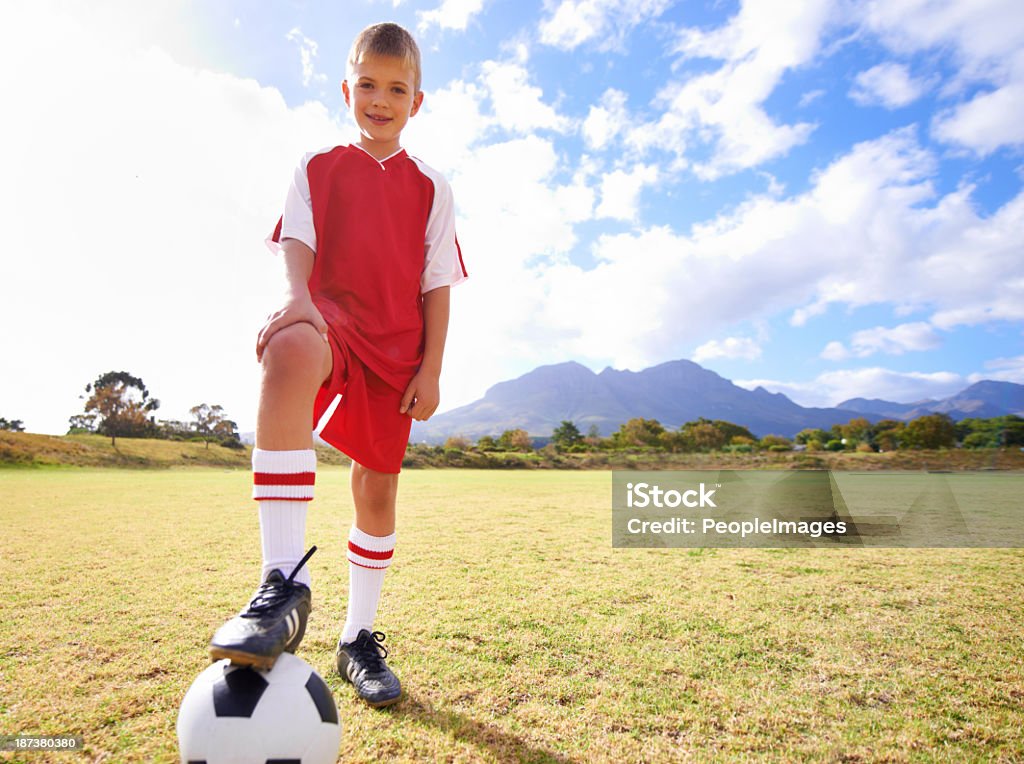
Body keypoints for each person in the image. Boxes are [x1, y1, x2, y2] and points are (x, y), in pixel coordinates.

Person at [208, 21, 467, 709]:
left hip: (397, 349)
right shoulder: (317, 165)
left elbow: (437, 284)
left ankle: (357, 638)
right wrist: (297, 299)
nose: (380, 99)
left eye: (397, 89)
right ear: (346, 87)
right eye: (368, 85)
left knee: (375, 494)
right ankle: (280, 585)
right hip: (333, 321)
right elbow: (297, 241)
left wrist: (431, 369)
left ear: (418, 101)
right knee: (288, 346)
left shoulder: (432, 188)